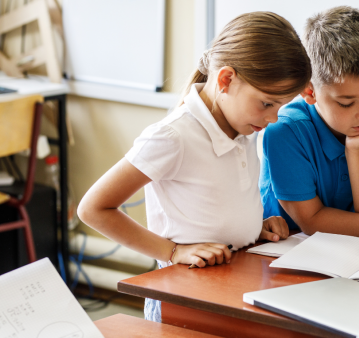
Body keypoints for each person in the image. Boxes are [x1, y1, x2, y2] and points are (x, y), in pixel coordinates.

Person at [77, 12, 312, 321]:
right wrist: (173, 252)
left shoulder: (243, 125)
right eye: (268, 103)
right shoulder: (173, 136)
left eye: (281, 107)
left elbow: (216, 200)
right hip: (183, 292)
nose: (272, 119)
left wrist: (253, 226)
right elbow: (93, 209)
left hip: (232, 280)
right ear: (226, 80)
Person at [260, 6, 359, 242]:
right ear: (309, 91)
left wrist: (356, 151)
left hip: (347, 254)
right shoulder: (285, 131)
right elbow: (311, 221)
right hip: (279, 253)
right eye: (347, 103)